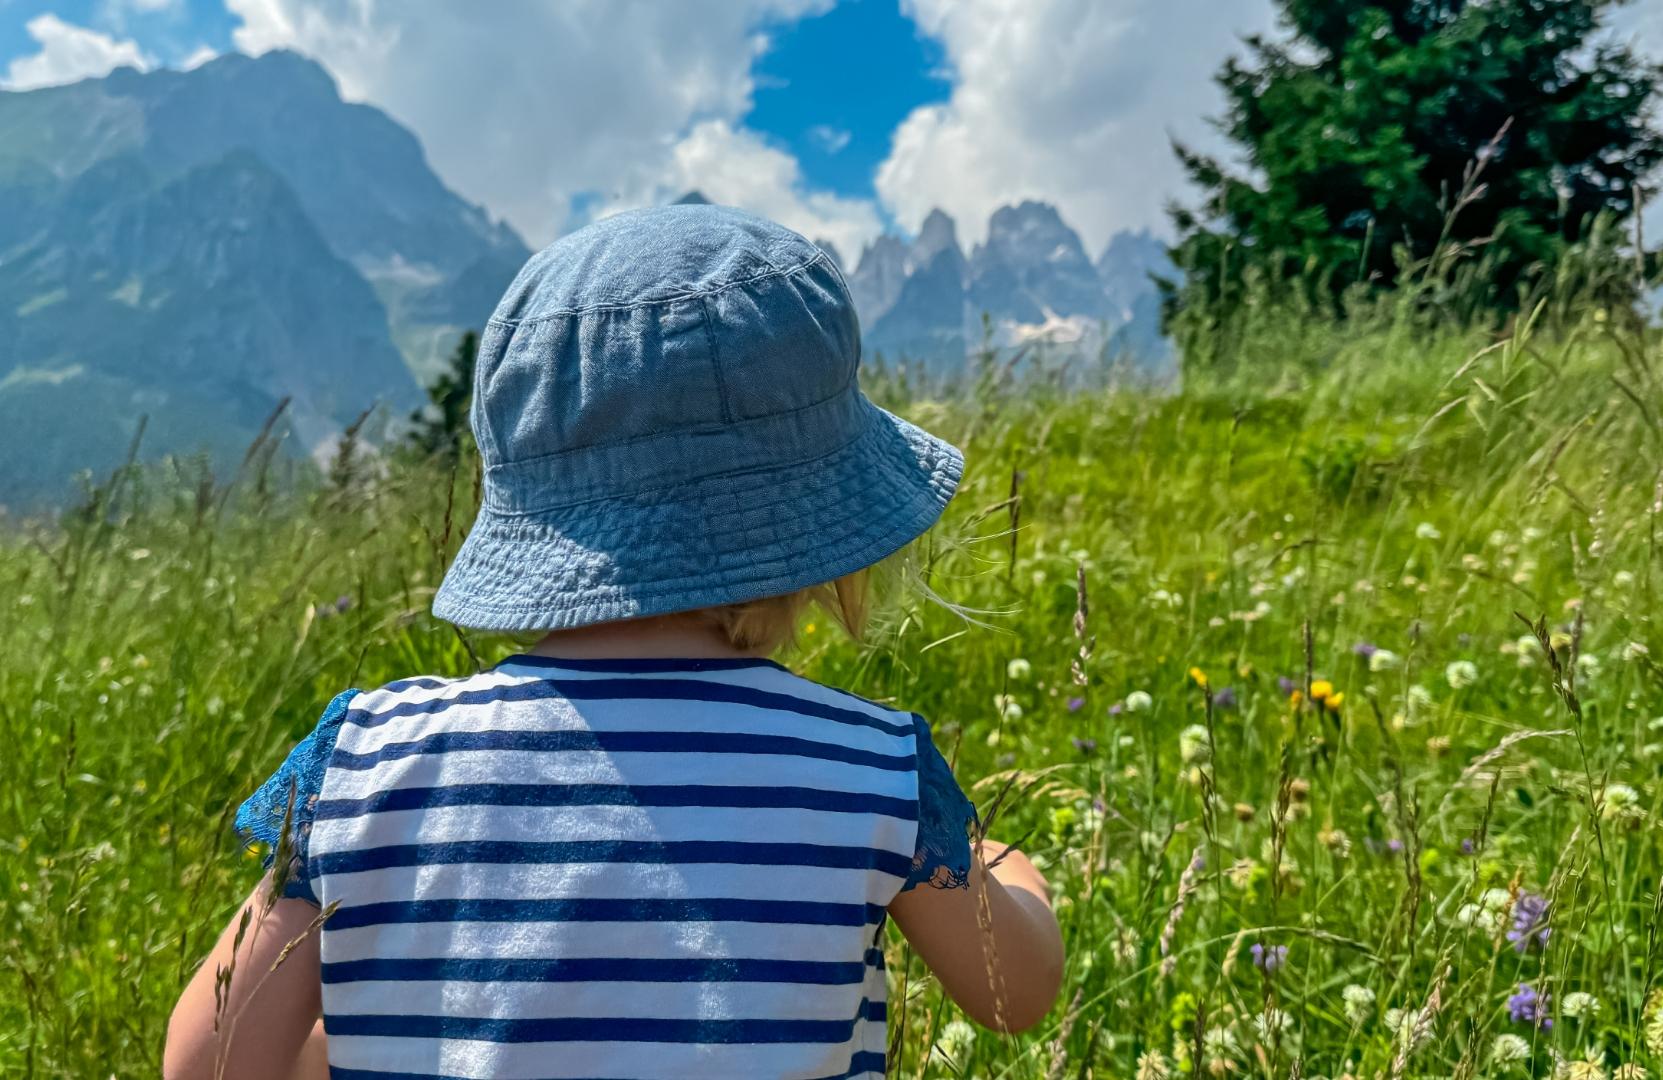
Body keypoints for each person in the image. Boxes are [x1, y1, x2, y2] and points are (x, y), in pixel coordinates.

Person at [163, 204, 1064, 1080]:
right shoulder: (871, 768)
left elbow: (209, 1064)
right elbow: (1011, 993)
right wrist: (993, 860)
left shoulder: (365, 759)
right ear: (817, 532)